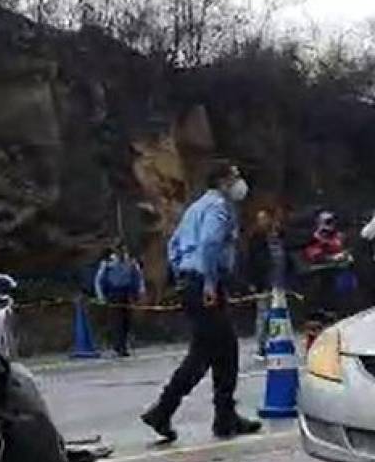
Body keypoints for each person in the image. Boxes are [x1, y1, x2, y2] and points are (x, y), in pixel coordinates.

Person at [141, 163, 262, 443]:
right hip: (206, 285)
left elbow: (173, 245)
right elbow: (209, 243)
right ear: (221, 182)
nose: (239, 183)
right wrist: (208, 282)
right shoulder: (219, 207)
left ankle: (224, 416)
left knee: (224, 350)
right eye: (234, 177)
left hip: (191, 282)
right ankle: (163, 410)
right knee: (205, 353)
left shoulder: (195, 208)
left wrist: (183, 272)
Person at [246, 209, 293, 359]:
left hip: (280, 281)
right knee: (263, 315)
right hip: (264, 282)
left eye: (266, 218)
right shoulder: (256, 239)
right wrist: (252, 281)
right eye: (261, 219)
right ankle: (261, 346)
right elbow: (251, 261)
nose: (264, 222)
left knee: (280, 313)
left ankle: (280, 342)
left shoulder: (280, 237)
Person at [94, 243, 145, 356]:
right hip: (113, 294)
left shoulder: (131, 262)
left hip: (127, 293)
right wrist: (101, 296)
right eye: (119, 250)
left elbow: (138, 277)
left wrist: (140, 291)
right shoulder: (108, 263)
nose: (122, 252)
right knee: (116, 321)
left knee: (127, 321)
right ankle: (118, 346)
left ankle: (124, 344)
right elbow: (99, 280)